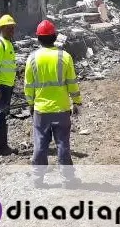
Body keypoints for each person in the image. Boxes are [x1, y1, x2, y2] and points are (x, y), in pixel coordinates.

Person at [24, 20, 82, 188]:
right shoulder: (65, 57)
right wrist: (77, 102)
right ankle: (68, 180)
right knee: (63, 144)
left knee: (40, 145)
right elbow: (72, 83)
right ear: (55, 37)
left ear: (37, 38)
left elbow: (28, 86)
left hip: (41, 110)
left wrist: (30, 104)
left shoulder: (32, 58)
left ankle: (37, 179)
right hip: (62, 109)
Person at [0, 15, 18, 156]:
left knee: (2, 115)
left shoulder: (8, 43)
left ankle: (2, 145)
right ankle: (0, 147)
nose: (12, 30)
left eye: (13, 28)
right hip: (1, 87)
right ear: (2, 28)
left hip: (7, 86)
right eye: (9, 28)